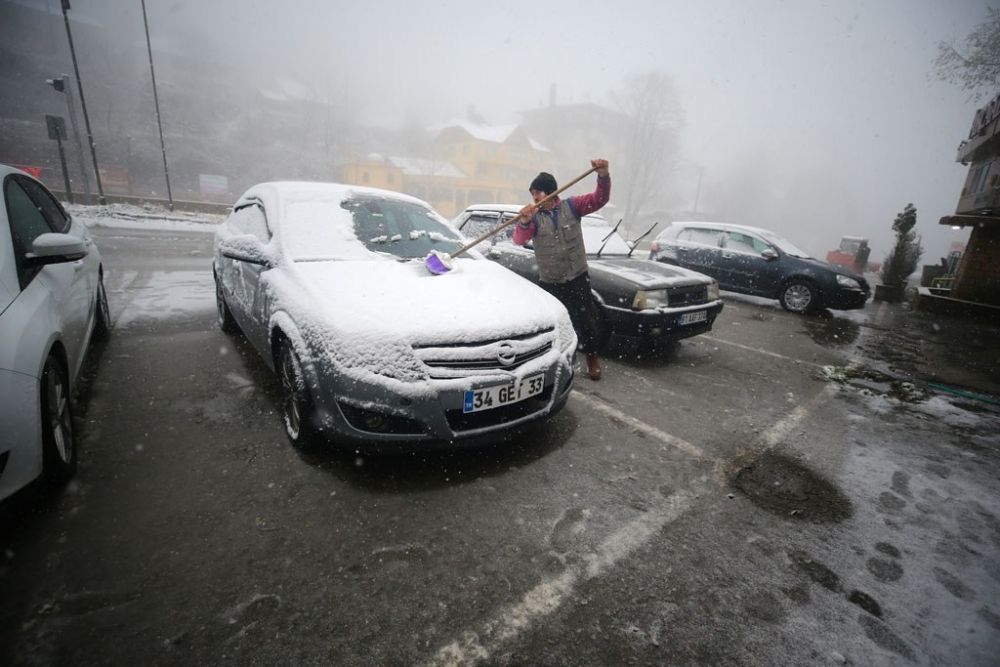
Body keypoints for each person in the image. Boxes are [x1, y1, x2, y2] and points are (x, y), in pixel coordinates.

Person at [513, 159, 611, 381]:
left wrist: (603, 176)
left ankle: (592, 357)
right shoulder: (534, 218)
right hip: (551, 281)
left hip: (577, 276)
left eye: (537, 192)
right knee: (555, 323)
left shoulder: (572, 206)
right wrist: (525, 221)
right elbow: (519, 239)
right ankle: (557, 361)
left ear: (549, 192)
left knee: (587, 319)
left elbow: (599, 199)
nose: (535, 198)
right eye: (533, 194)